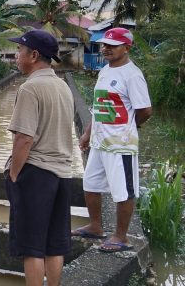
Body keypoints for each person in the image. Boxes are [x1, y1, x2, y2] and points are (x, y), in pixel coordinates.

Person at [71, 27, 152, 253]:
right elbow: (98, 108)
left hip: (120, 146)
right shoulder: (105, 70)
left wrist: (127, 128)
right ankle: (96, 226)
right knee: (90, 184)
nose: (106, 49)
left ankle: (121, 237)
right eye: (104, 45)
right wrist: (88, 133)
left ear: (127, 48)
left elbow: (145, 110)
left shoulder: (132, 75)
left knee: (123, 191)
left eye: (112, 45)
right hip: (99, 143)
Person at [5, 29, 74, 286]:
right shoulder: (62, 86)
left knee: (32, 246)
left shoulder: (30, 88)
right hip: (62, 174)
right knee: (54, 244)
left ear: (34, 55)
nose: (16, 55)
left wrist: (14, 174)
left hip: (36, 175)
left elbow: (24, 138)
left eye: (20, 51)